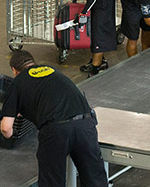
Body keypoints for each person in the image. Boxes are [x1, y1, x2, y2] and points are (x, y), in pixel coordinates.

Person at [0, 50, 108, 187]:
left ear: (14, 70)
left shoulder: (18, 82)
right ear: (32, 62)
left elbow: (6, 128)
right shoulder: (52, 71)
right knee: (95, 180)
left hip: (56, 130)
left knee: (52, 182)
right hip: (85, 123)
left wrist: (8, 138)